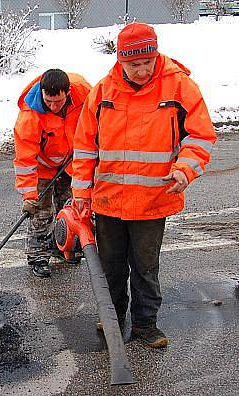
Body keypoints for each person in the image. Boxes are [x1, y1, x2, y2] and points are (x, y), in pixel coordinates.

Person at [71, 22, 216, 348]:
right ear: (121, 61)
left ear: (155, 55)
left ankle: (145, 326)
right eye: (133, 64)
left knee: (146, 268)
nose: (141, 70)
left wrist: (185, 170)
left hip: (153, 199)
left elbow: (201, 135)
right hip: (108, 201)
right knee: (110, 268)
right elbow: (84, 146)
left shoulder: (179, 87)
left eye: (146, 62)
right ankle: (112, 318)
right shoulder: (103, 91)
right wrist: (80, 192)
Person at [12, 69, 92, 278]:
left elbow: (97, 122)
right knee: (41, 212)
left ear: (68, 92)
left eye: (58, 102)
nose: (54, 107)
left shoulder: (83, 93)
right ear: (42, 93)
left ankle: (61, 244)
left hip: (70, 161)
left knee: (69, 206)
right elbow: (25, 160)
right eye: (49, 102)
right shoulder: (30, 115)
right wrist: (29, 196)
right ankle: (38, 256)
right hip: (42, 164)